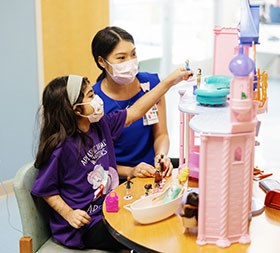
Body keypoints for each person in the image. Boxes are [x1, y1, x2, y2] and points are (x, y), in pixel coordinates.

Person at [32, 69, 192, 250]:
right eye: (90, 95)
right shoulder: (60, 147)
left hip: (110, 207)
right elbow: (45, 189)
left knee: (158, 211)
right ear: (76, 110)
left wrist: (168, 82)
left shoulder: (100, 125)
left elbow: (136, 111)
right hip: (86, 225)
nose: (97, 99)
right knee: (143, 231)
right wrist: (69, 214)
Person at [91, 26, 186, 181]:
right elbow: (98, 161)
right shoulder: (95, 103)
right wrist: (131, 171)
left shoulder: (151, 84)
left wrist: (161, 155)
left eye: (133, 54)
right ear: (102, 61)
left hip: (152, 172)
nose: (130, 62)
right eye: (121, 58)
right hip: (118, 178)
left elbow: (161, 134)